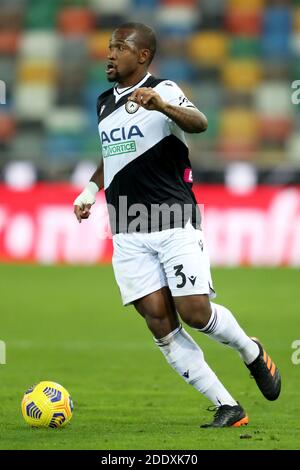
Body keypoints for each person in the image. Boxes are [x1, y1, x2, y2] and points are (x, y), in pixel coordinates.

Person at [73, 22, 281, 428]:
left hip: (172, 219)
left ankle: (251, 351)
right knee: (159, 321)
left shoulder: (164, 90)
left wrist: (162, 107)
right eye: (109, 47)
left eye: (119, 48)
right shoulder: (102, 102)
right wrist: (89, 189)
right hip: (127, 228)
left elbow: (200, 123)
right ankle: (228, 406)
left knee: (195, 311)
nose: (110, 54)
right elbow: (113, 153)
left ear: (143, 56)